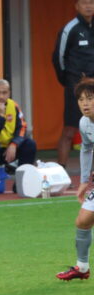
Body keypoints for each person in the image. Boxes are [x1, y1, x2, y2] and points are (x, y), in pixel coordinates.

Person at [57, 77, 94, 280]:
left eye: (90, 98)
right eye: (81, 99)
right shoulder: (84, 123)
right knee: (83, 221)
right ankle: (82, 267)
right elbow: (86, 148)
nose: (85, 104)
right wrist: (84, 181)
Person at [52, 0, 94, 168]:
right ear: (76, 6)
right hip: (76, 87)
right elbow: (58, 58)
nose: (88, 6)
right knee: (70, 130)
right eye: (84, 3)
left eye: (91, 2)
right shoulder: (70, 29)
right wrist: (69, 81)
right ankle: (61, 170)